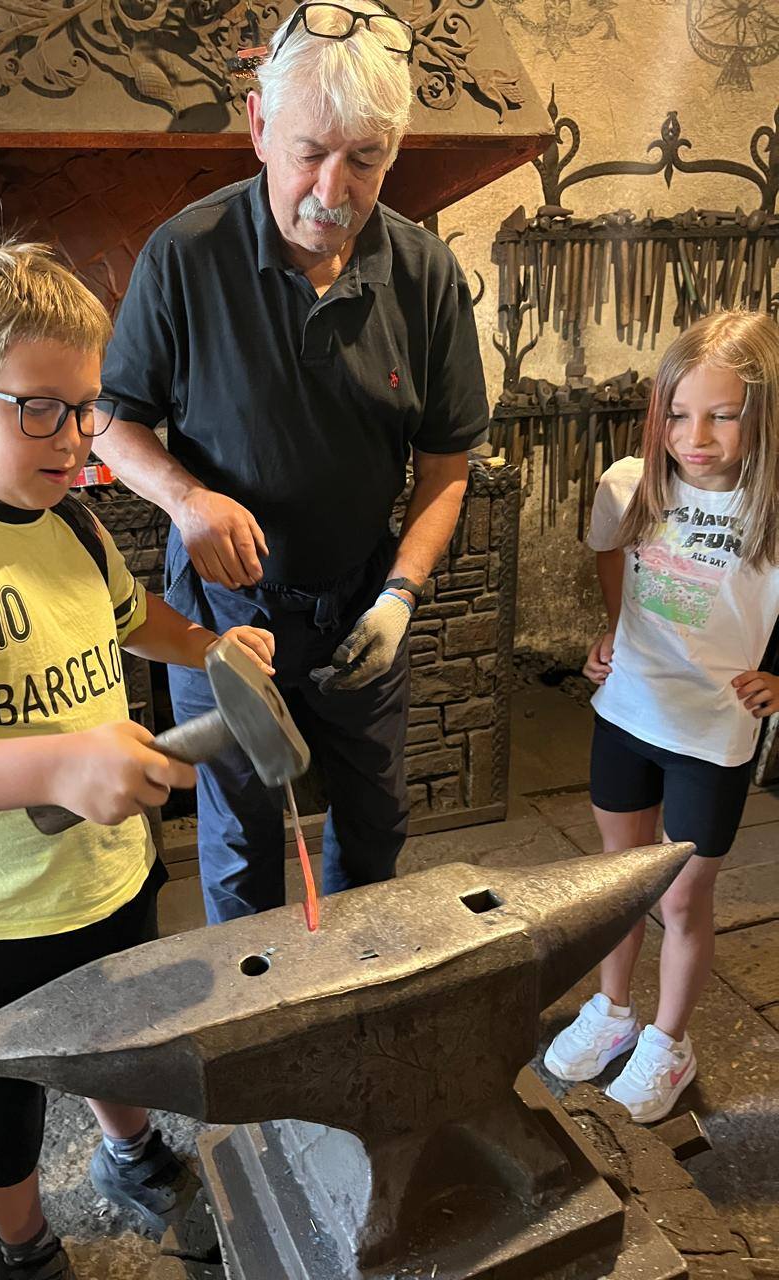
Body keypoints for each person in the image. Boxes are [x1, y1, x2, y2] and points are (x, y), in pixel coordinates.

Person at [0, 240, 275, 1280]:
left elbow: (129, 616)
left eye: (86, 407)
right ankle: (24, 1242)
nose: (74, 438)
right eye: (39, 409)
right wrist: (56, 765)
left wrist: (210, 648)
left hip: (105, 880)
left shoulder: (69, 521)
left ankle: (130, 1150)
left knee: (115, 1036)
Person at [97, 1, 489, 923]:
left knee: (376, 825)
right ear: (259, 125)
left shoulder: (425, 274)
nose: (332, 190)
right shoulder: (185, 255)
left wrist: (401, 596)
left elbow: (446, 465)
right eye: (309, 153)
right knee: (241, 844)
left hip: (361, 599)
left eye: (365, 160)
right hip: (224, 613)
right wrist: (187, 499)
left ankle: (357, 988)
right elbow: (111, 424)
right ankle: (256, 999)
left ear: (394, 152)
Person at [544, 309, 779, 1123]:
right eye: (678, 414)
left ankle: (670, 1042)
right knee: (617, 885)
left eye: (722, 415)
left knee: (680, 899)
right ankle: (612, 1011)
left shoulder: (771, 506)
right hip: (627, 711)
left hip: (712, 734)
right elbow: (612, 554)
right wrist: (614, 628)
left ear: (763, 414)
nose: (695, 437)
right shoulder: (631, 483)